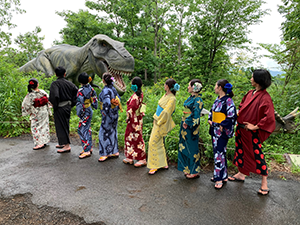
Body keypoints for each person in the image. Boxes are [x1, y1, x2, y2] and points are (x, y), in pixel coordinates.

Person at [228, 69, 275, 196]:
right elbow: (242, 106)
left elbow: (269, 117)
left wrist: (256, 127)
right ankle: (241, 174)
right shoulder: (250, 93)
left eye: (252, 77)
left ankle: (264, 181)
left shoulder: (265, 97)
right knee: (241, 151)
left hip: (251, 132)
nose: (251, 79)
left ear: (259, 80)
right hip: (241, 129)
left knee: (256, 154)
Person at [208, 79, 237, 189]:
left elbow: (232, 116)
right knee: (219, 152)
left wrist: (223, 124)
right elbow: (212, 111)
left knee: (218, 154)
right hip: (214, 129)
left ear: (220, 87)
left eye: (216, 85)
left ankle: (218, 178)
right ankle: (223, 175)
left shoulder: (228, 101)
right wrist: (210, 119)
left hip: (222, 131)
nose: (214, 87)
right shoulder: (218, 99)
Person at [147, 78, 180, 175]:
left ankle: (155, 165)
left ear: (168, 86)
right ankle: (162, 163)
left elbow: (167, 112)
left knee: (152, 142)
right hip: (156, 119)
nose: (164, 86)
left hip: (161, 122)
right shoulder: (166, 95)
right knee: (159, 142)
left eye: (165, 84)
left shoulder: (172, 98)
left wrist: (159, 120)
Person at [177, 79, 204, 179]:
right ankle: (187, 168)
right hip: (185, 124)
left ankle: (194, 170)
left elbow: (196, 114)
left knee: (191, 147)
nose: (188, 87)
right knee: (184, 146)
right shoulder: (191, 97)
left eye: (189, 85)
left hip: (190, 125)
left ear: (194, 87)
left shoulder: (198, 100)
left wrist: (187, 122)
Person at [49, 66, 78, 153]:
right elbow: (76, 94)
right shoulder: (70, 84)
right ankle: (62, 142)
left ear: (56, 74)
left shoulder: (55, 84)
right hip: (67, 106)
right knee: (64, 124)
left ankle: (66, 145)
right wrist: (72, 104)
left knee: (61, 125)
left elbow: (55, 96)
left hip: (60, 107)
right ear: (65, 74)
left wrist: (55, 105)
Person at [123, 77, 147, 167]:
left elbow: (131, 109)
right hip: (138, 119)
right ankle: (130, 157)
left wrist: (128, 117)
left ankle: (142, 158)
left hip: (133, 120)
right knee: (132, 138)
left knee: (136, 139)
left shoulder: (135, 97)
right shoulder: (140, 94)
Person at [98, 73, 122, 162]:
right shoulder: (113, 89)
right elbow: (118, 100)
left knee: (104, 133)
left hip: (108, 114)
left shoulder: (106, 91)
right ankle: (114, 151)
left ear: (103, 81)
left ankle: (105, 153)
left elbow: (107, 103)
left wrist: (108, 114)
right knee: (113, 131)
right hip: (115, 113)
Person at [22, 78, 52, 150]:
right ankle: (45, 141)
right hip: (44, 111)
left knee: (35, 127)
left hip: (36, 112)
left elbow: (25, 105)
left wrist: (28, 112)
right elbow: (49, 100)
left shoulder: (30, 95)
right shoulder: (42, 92)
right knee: (44, 126)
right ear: (37, 85)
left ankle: (39, 143)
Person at [76, 72, 98, 159]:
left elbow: (79, 104)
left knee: (81, 129)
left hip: (84, 111)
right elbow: (94, 98)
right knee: (87, 128)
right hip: (89, 110)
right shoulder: (91, 88)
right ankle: (89, 147)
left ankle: (86, 150)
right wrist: (94, 105)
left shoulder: (80, 91)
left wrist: (79, 113)